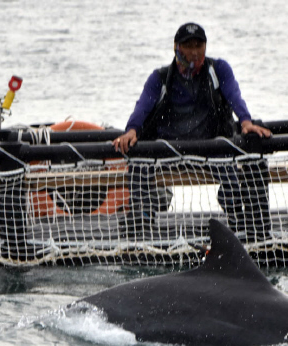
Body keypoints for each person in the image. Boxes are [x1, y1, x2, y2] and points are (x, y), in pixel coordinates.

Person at [114, 22, 272, 241]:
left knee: (232, 177)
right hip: (168, 146)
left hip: (210, 146)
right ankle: (140, 224)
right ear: (176, 48)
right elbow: (143, 106)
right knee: (138, 163)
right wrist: (132, 130)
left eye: (199, 45)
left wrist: (245, 121)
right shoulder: (160, 77)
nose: (194, 52)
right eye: (188, 46)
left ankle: (240, 225)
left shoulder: (218, 70)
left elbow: (234, 95)